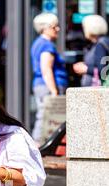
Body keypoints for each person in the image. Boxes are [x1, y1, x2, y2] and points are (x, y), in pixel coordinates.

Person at [31, 13, 68, 145]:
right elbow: (46, 69)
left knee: (43, 116)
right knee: (45, 116)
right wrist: (54, 91)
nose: (58, 29)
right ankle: (38, 145)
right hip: (47, 86)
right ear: (45, 28)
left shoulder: (38, 43)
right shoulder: (46, 45)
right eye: (54, 26)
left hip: (41, 85)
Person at [73, 15, 109, 87]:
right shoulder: (101, 42)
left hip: (97, 90)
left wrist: (85, 69)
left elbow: (103, 71)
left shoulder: (100, 44)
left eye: (84, 28)